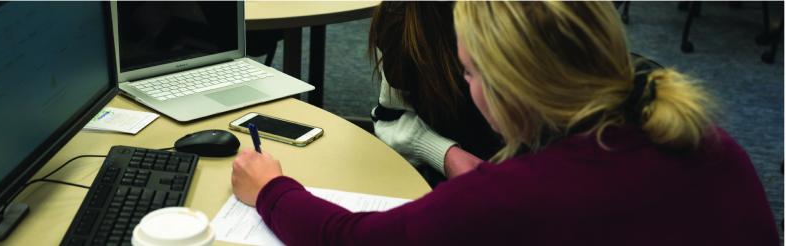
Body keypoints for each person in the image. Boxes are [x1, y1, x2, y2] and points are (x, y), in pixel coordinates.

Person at [231, 2, 780, 245]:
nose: (465, 82)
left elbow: (350, 239)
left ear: (513, 88)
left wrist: (272, 190)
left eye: (470, 71)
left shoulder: (522, 195)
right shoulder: (703, 138)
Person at [368, 2, 502, 182]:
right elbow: (389, 118)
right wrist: (445, 154)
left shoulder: (529, 15)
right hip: (456, 176)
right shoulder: (402, 18)